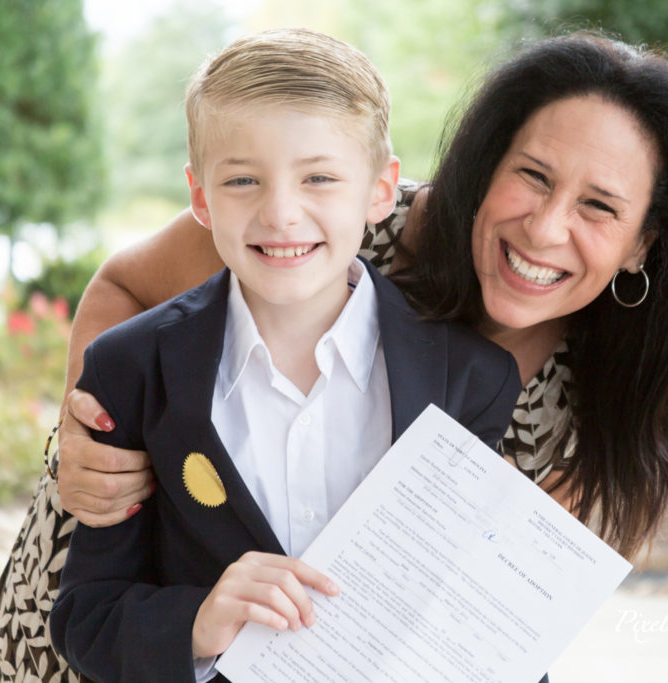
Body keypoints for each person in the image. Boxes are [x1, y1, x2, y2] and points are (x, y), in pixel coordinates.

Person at [0, 30, 668, 682]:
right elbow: (123, 287)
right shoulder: (326, 221)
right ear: (488, 164)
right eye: (531, 175)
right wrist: (88, 436)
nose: (543, 228)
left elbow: (485, 629)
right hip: (122, 599)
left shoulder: (613, 395)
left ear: (646, 241)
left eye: (599, 206)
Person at [42, 27, 520, 682]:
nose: (282, 213)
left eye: (319, 177)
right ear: (201, 197)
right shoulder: (133, 366)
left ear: (380, 190)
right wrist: (200, 622)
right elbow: (88, 616)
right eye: (243, 180)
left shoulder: (472, 378)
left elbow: (481, 615)